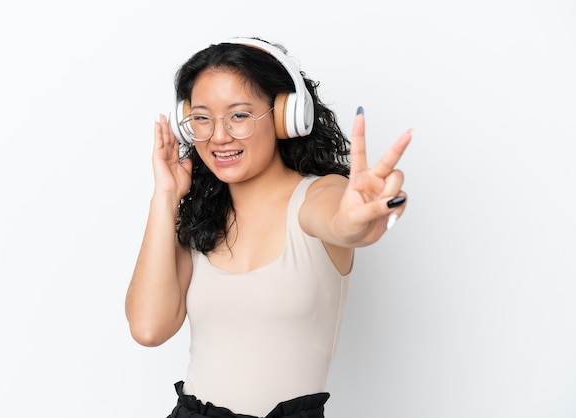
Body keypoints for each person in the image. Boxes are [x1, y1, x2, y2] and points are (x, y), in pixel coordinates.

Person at [125, 36, 411, 418]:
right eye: (202, 117)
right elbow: (148, 329)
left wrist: (359, 218)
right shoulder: (198, 218)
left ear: (284, 117)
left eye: (239, 115)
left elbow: (342, 221)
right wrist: (165, 197)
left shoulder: (320, 194)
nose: (219, 135)